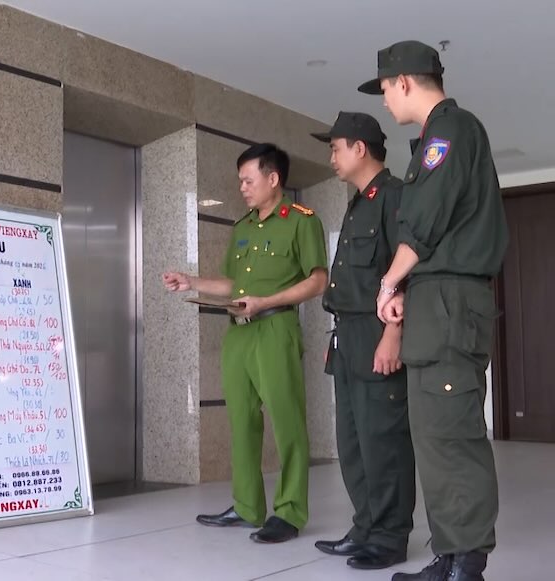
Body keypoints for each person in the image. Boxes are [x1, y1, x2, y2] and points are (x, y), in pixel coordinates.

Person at [358, 40, 509, 581]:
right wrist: (405, 285)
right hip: (435, 299)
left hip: (448, 302)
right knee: (433, 434)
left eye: (383, 90)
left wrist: (389, 281)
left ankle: (466, 564)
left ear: (403, 82)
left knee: (451, 433)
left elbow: (424, 221)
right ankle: (449, 556)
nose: (384, 102)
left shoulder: (448, 131)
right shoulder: (436, 135)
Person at [163, 143, 327, 544]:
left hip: (275, 330)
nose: (242, 188)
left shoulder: (302, 222)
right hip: (239, 333)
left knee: (288, 423)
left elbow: (318, 280)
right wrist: (192, 281)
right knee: (242, 423)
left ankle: (289, 513)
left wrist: (267, 301)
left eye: (248, 180)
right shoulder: (242, 227)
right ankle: (247, 506)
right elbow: (232, 284)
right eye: (240, 181)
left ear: (274, 179)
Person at [309, 112, 416, 571]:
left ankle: (390, 536)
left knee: (383, 440)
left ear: (360, 148)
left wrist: (394, 334)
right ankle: (367, 525)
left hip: (378, 333)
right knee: (352, 440)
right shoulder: (358, 201)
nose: (331, 156)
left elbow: (408, 271)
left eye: (335, 147)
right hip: (347, 335)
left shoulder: (393, 197)